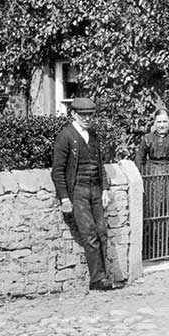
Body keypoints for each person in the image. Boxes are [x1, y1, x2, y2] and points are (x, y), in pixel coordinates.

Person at [51, 97, 121, 291]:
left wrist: (105, 188)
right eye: (83, 115)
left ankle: (105, 276)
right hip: (78, 191)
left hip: (95, 189)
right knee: (89, 233)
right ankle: (97, 279)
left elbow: (100, 165)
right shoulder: (65, 136)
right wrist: (64, 198)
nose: (87, 118)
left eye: (90, 114)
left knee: (101, 232)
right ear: (73, 114)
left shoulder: (94, 136)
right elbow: (57, 171)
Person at [133, 107, 169, 176]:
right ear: (155, 123)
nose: (162, 125)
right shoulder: (147, 138)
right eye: (159, 122)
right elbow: (139, 159)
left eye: (165, 122)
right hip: (152, 176)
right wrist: (140, 176)